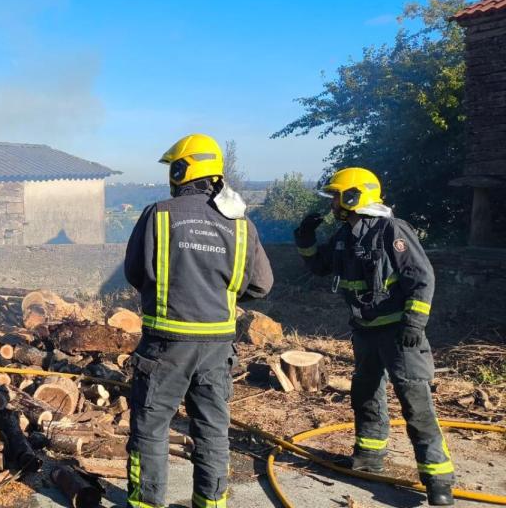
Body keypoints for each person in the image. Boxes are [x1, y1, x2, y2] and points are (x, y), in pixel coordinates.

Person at [124, 133, 273, 508]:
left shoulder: (158, 214)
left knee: (152, 430)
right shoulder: (241, 226)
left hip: (166, 345)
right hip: (217, 348)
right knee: (212, 431)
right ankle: (211, 503)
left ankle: (146, 503)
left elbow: (134, 272)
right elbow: (261, 285)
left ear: (181, 170)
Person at [294, 167, 454, 506]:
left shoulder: (392, 231)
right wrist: (306, 239)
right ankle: (368, 457)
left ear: (355, 197)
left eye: (338, 196)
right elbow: (320, 267)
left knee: (416, 404)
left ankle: (438, 479)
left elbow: (421, 277)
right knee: (365, 394)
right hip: (365, 332)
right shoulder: (345, 236)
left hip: (399, 334)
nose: (334, 203)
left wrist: (414, 323)